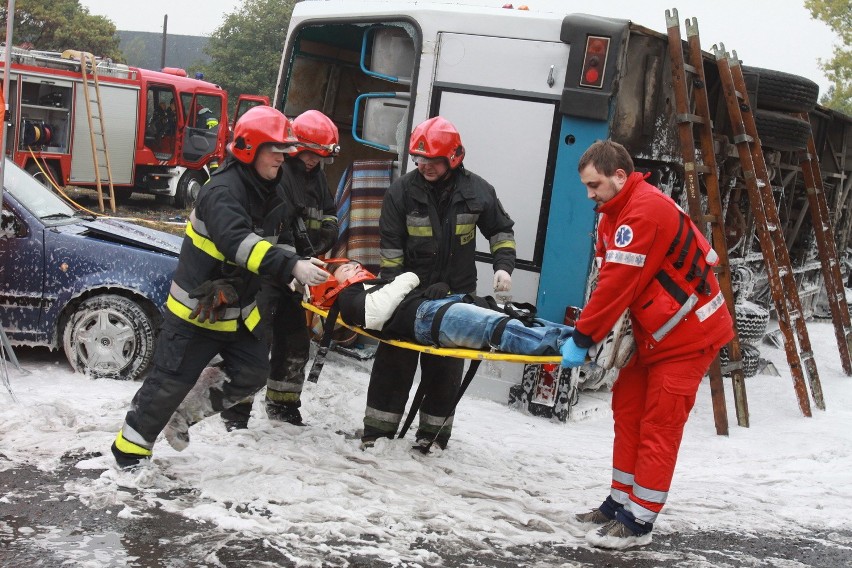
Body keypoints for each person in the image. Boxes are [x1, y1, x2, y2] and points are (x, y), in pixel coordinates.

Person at [110, 106, 329, 468]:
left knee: (252, 372)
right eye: (275, 148)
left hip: (239, 311)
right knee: (169, 384)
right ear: (249, 148)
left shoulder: (271, 191)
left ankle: (180, 417)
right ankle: (129, 453)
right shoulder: (222, 192)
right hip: (197, 312)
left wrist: (292, 270)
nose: (283, 155)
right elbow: (238, 243)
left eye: (285, 148)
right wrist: (291, 265)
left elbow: (281, 236)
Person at [561, 140, 734, 549]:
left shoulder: (643, 212)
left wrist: (584, 337)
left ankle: (638, 521)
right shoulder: (614, 212)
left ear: (620, 176)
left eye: (595, 185)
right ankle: (620, 501)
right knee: (628, 411)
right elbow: (610, 282)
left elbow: (618, 284)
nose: (590, 194)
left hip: (690, 337)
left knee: (659, 426)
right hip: (655, 335)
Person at [362, 116, 516, 451]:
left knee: (445, 371)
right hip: (407, 297)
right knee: (394, 364)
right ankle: (377, 434)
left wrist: (504, 267)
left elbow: (501, 231)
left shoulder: (478, 191)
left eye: (432, 160)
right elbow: (390, 253)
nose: (425, 166)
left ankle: (432, 439)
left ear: (453, 158)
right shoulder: (401, 192)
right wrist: (405, 294)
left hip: (457, 296)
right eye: (419, 158)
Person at [220, 110, 341, 430]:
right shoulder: (278, 174)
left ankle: (283, 406)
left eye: (321, 156)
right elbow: (270, 227)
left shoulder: (316, 177)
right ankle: (236, 410)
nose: (316, 161)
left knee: (295, 339)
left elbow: (329, 211)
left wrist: (329, 231)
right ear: (297, 147)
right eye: (312, 154)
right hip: (267, 273)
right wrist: (291, 262)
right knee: (254, 338)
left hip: (298, 272)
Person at [312, 260, 572, 356]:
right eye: (348, 268)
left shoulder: (375, 285)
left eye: (355, 264)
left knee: (512, 314)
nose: (356, 267)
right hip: (425, 319)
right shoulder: (347, 297)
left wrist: (434, 289)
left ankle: (582, 335)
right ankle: (568, 344)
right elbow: (376, 313)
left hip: (433, 307)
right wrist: (410, 278)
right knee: (496, 327)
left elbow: (394, 298)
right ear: (337, 282)